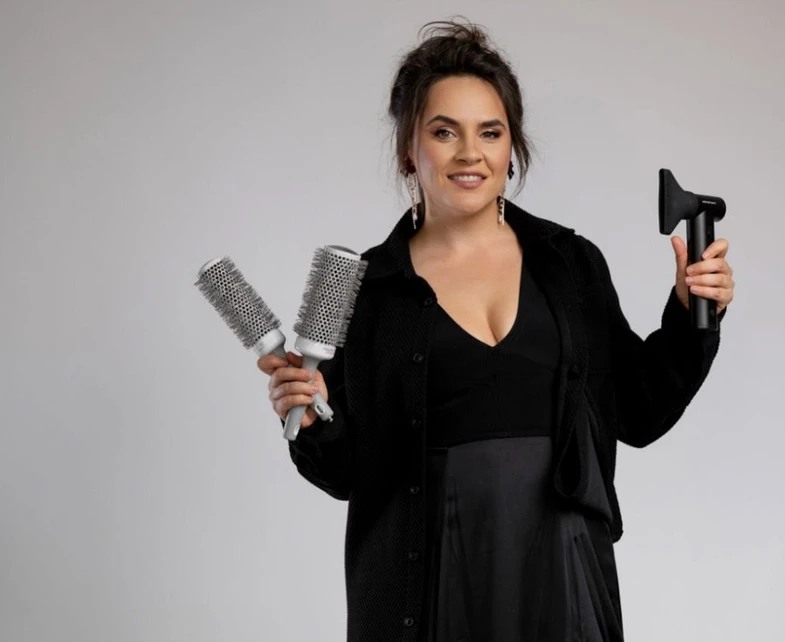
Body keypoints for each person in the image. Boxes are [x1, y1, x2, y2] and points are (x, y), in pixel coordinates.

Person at [257, 20, 734, 642]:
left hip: (563, 575)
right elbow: (349, 474)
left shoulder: (570, 263)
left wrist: (690, 313)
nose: (469, 153)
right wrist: (312, 418)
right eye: (443, 132)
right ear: (409, 150)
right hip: (429, 585)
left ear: (512, 147)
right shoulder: (366, 291)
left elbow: (638, 411)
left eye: (490, 131)